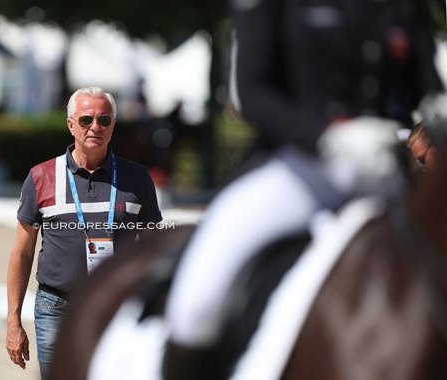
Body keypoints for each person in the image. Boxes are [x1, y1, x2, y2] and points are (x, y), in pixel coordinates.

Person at [162, 0, 445, 377]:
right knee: (196, 304)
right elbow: (253, 91)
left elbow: (425, 86)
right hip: (296, 170)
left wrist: (437, 107)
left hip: (382, 175)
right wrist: (327, 138)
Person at [5, 86, 162, 379]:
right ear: (70, 125)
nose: (95, 127)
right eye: (86, 119)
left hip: (118, 309)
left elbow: (153, 248)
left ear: (113, 126)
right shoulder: (41, 177)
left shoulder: (138, 178)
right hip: (56, 307)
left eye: (104, 120)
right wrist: (13, 320)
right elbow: (22, 252)